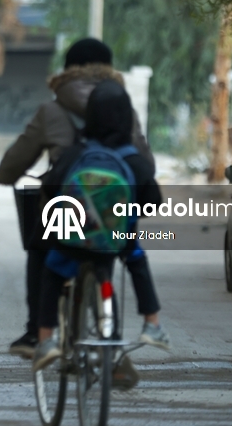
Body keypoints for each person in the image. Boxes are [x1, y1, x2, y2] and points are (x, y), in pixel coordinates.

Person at [0, 38, 154, 359]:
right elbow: (145, 164)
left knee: (41, 249)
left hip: (65, 208)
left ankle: (36, 333)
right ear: (109, 70)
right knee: (106, 256)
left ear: (67, 71)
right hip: (113, 208)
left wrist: (6, 176)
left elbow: (18, 158)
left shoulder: (52, 109)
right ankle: (112, 340)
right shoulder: (124, 110)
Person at [32, 80, 168, 371]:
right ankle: (152, 323)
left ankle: (45, 340)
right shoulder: (133, 160)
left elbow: (53, 187)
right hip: (115, 241)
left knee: (53, 270)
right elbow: (154, 200)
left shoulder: (76, 154)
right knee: (137, 259)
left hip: (74, 240)